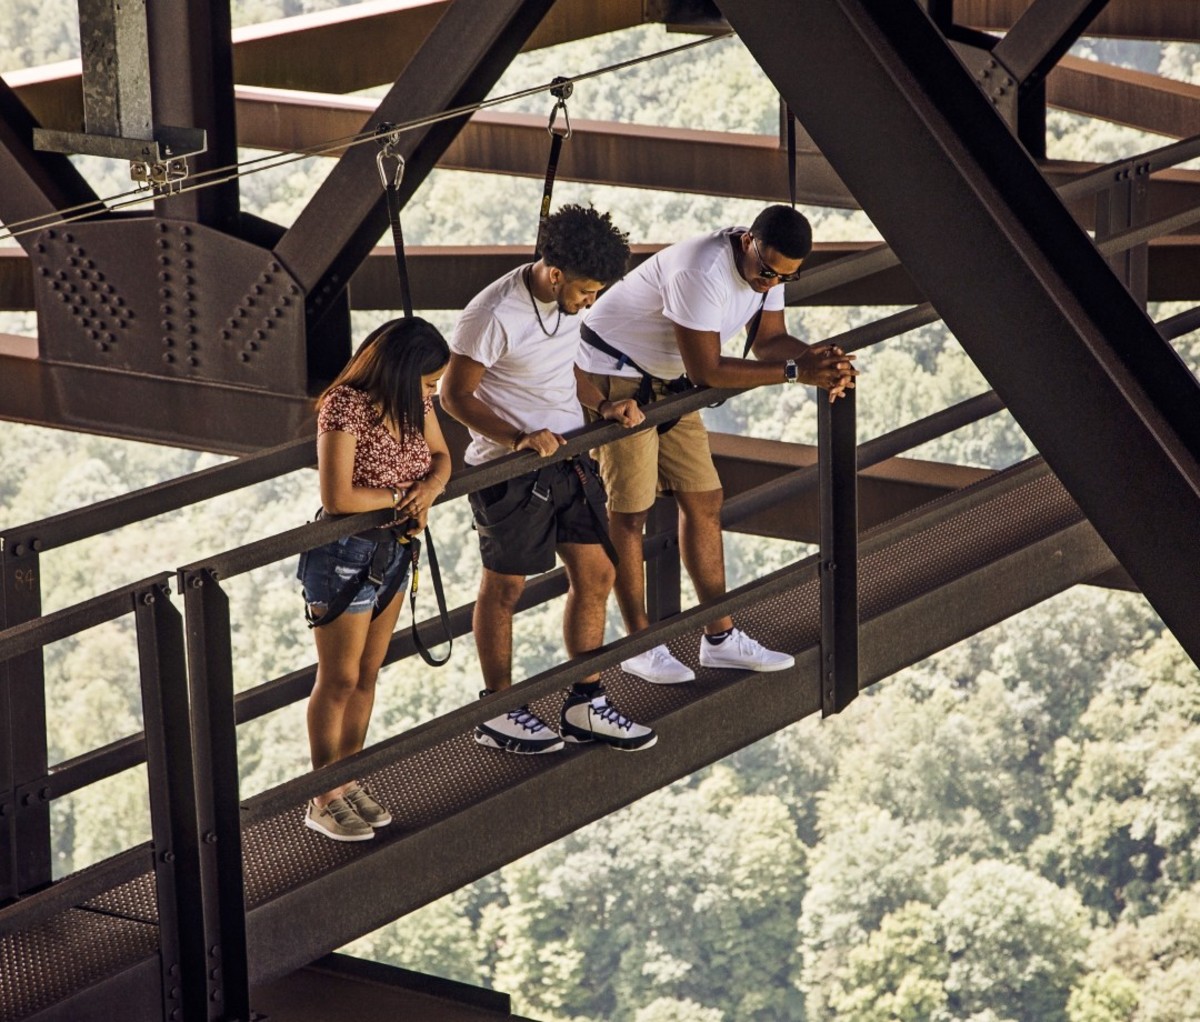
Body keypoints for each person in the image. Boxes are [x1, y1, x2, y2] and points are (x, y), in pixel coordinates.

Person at [576, 204, 858, 685]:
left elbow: (770, 342)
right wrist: (797, 372)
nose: (770, 283)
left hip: (668, 378)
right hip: (616, 376)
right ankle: (640, 644)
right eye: (766, 272)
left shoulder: (770, 267)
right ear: (749, 240)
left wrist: (818, 362)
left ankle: (720, 638)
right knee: (631, 511)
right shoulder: (700, 270)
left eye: (784, 277)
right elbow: (709, 370)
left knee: (704, 499)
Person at [442, 204, 656, 755]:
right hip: (509, 469)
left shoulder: (569, 302)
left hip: (568, 457)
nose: (591, 301)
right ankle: (498, 709)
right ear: (556, 274)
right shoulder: (492, 315)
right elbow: (452, 396)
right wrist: (517, 438)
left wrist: (603, 407)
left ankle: (584, 702)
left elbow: (566, 368)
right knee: (505, 587)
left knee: (597, 570)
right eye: (587, 291)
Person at [298, 317, 452, 841]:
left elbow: (443, 457)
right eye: (428, 382)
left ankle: (349, 777)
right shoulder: (345, 406)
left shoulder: (416, 404)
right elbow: (337, 498)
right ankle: (322, 795)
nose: (432, 393)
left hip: (394, 549)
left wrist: (428, 489)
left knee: (367, 673)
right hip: (345, 553)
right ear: (403, 370)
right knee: (338, 678)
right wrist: (400, 499)